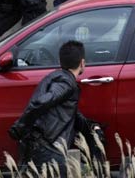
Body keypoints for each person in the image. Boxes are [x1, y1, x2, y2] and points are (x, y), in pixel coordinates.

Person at [9, 41, 103, 177]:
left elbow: (71, 115)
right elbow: (40, 103)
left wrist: (92, 127)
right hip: (47, 150)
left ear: (60, 61)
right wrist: (19, 128)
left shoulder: (57, 78)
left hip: (39, 146)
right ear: (82, 63)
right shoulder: (65, 83)